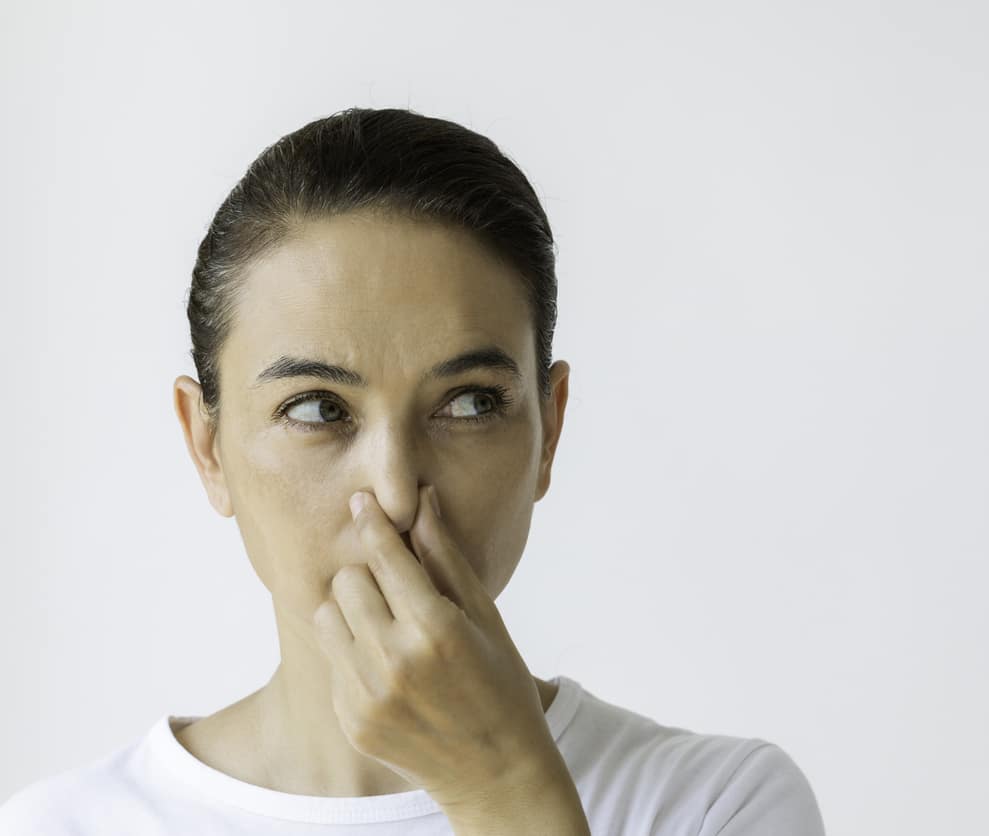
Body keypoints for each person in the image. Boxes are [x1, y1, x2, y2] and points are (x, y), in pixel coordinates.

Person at [0, 107, 825, 835]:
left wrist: (504, 793)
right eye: (319, 410)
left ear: (550, 429)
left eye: (469, 404)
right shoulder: (64, 827)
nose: (395, 493)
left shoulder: (715, 807)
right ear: (206, 446)